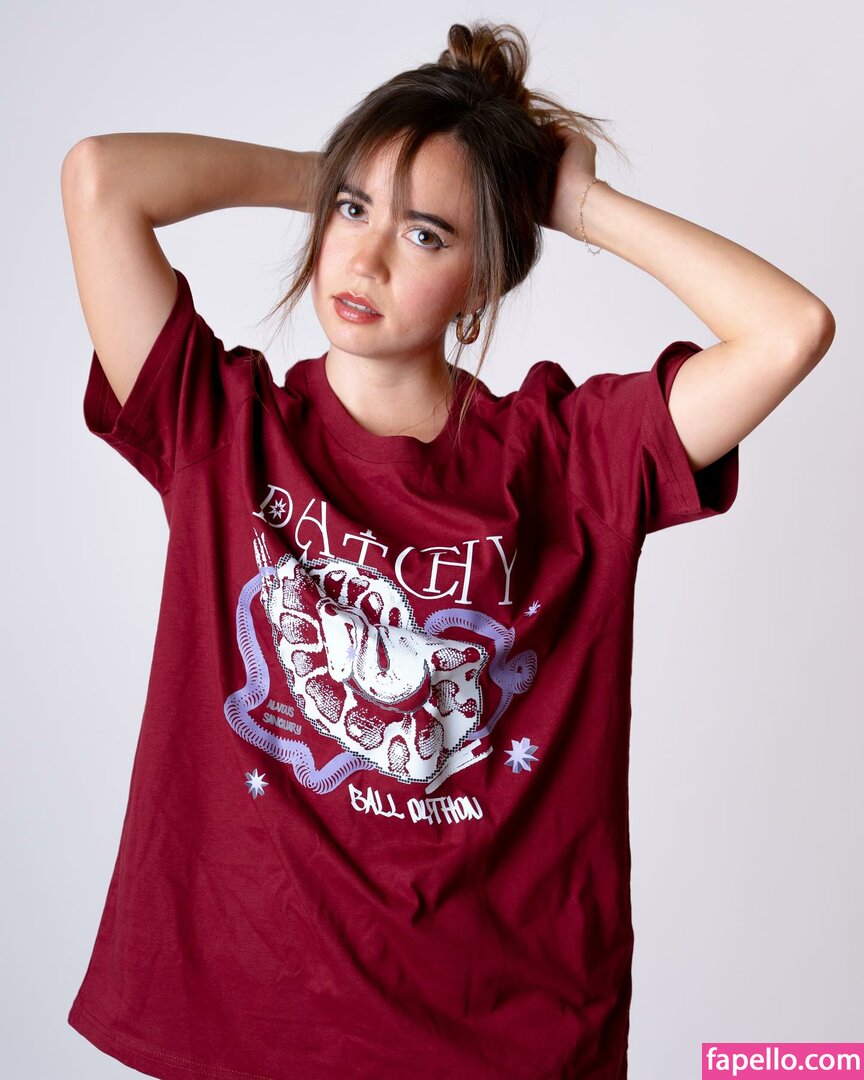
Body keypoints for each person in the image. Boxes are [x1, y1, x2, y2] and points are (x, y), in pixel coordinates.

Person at [60, 20, 834, 1080]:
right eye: (351, 213)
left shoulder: (568, 459)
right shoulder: (221, 428)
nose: (366, 257)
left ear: (484, 280)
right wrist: (340, 174)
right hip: (253, 1029)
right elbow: (100, 179)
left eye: (427, 235)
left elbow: (789, 330)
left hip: (498, 1040)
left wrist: (575, 205)